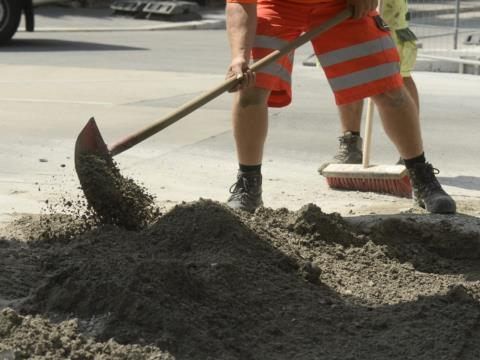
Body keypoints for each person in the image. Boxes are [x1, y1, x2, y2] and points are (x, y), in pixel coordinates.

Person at [224, 0, 456, 214]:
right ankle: (248, 185)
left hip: (339, 4)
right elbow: (240, 4)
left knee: (388, 87)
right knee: (250, 87)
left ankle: (421, 177)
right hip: (276, 5)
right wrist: (239, 57)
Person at [319, 0, 419, 169]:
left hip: (388, 17)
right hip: (344, 12)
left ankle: (410, 152)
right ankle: (350, 144)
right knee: (347, 74)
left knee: (399, 77)